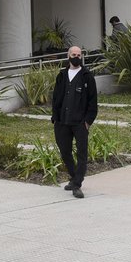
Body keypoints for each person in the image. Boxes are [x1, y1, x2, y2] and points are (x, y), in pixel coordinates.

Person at [51, 45, 97, 199]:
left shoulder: (87, 76)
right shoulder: (62, 75)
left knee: (81, 154)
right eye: (73, 54)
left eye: (78, 54)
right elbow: (56, 97)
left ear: (81, 57)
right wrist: (55, 117)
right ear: (68, 56)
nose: (76, 56)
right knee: (65, 151)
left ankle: (77, 185)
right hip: (62, 121)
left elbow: (93, 101)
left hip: (80, 123)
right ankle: (73, 177)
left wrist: (88, 121)